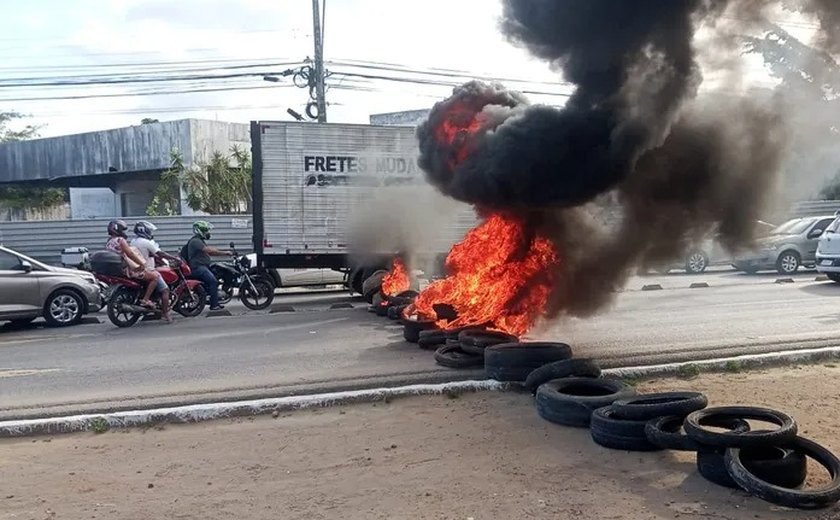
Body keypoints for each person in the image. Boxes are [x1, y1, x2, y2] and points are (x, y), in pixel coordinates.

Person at [131, 221, 181, 323]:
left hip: (136, 270)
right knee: (165, 290)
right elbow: (160, 253)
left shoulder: (133, 241)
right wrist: (174, 258)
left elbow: (149, 255)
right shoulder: (146, 242)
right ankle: (165, 313)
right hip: (147, 270)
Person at [105, 219, 160, 310]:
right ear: (118, 230)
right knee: (155, 277)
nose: (125, 232)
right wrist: (141, 264)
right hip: (128, 270)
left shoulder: (109, 241)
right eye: (123, 230)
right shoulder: (120, 240)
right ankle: (145, 299)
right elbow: (130, 254)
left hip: (119, 269)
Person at [182, 220, 231, 311]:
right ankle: (214, 304)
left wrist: (222, 253)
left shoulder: (200, 241)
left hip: (203, 266)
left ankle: (214, 297)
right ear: (200, 231)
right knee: (213, 281)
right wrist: (225, 252)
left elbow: (211, 252)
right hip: (198, 267)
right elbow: (209, 251)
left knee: (217, 273)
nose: (208, 233)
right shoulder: (195, 241)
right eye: (206, 231)